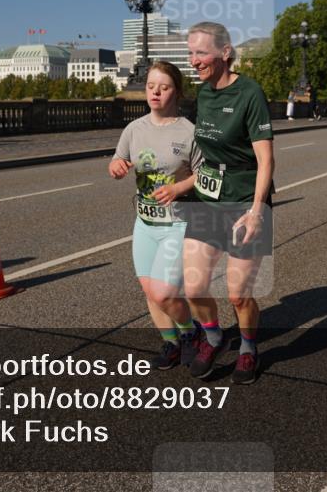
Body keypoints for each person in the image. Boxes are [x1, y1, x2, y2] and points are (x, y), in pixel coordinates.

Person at [183, 21, 275, 384]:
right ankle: (214, 336)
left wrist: (257, 211)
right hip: (208, 198)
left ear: (224, 52)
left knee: (238, 295)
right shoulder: (204, 95)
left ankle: (249, 347)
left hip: (243, 198)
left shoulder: (250, 93)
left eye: (201, 53)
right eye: (191, 53)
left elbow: (266, 160)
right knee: (193, 287)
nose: (194, 61)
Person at [109, 61, 203, 369]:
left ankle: (191, 333)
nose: (155, 93)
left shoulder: (190, 131)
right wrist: (117, 168)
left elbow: (206, 176)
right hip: (145, 223)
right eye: (151, 87)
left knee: (164, 292)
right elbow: (118, 160)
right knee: (150, 290)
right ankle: (170, 342)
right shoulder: (134, 129)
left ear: (176, 91)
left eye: (163, 88)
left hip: (178, 222)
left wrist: (178, 188)